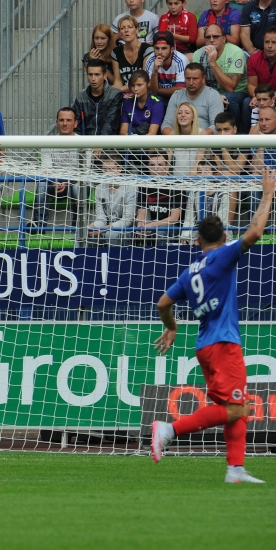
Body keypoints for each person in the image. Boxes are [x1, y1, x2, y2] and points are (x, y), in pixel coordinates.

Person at [151, 170, 275, 484]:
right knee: (237, 409)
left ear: (196, 241)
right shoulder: (223, 256)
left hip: (205, 346)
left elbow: (164, 303)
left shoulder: (189, 271)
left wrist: (172, 327)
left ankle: (235, 469)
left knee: (234, 406)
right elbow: (256, 232)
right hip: (223, 344)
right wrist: (268, 192)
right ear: (222, 239)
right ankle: (168, 429)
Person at [193, 24, 248, 132]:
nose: (211, 40)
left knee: (228, 98)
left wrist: (212, 63)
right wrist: (215, 95)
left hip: (237, 93)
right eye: (208, 37)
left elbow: (230, 87)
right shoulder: (198, 54)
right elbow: (197, 84)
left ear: (224, 39)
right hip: (210, 93)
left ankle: (235, 136)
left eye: (215, 37)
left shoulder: (236, 52)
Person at [135, 150, 184, 243]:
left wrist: (152, 225)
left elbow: (174, 218)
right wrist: (141, 225)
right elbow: (141, 213)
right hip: (153, 225)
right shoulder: (144, 185)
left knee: (160, 231)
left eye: (159, 165)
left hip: (173, 227)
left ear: (167, 166)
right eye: (152, 165)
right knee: (132, 231)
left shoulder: (176, 185)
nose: (155, 169)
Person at [161, 63, 225, 135]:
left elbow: (216, 125)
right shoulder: (176, 95)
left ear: (203, 78)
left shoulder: (213, 95)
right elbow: (166, 124)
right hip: (178, 142)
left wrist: (196, 140)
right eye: (188, 78)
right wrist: (177, 141)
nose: (191, 83)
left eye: (195, 79)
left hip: (204, 142)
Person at [87, 154, 136, 245]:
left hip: (126, 230)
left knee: (111, 234)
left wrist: (104, 229)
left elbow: (127, 221)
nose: (107, 173)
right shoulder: (99, 188)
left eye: (110, 169)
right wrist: (90, 226)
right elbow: (101, 219)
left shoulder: (130, 188)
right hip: (106, 227)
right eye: (104, 170)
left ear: (119, 169)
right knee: (83, 232)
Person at [72, 59, 123, 136]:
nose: (93, 79)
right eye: (90, 74)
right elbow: (76, 127)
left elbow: (111, 123)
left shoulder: (115, 94)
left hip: (108, 145)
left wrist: (100, 144)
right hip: (85, 145)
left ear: (105, 75)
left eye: (97, 74)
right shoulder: (81, 98)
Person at [111, 15, 154, 92]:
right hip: (123, 94)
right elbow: (118, 81)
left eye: (130, 27)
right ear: (120, 33)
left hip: (142, 93)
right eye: (122, 28)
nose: (126, 30)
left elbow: (144, 81)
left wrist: (116, 91)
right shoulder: (116, 52)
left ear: (137, 30)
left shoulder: (147, 50)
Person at [244, 26, 276, 129]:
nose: (269, 46)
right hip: (261, 94)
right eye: (267, 42)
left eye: (274, 43)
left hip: (272, 96)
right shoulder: (254, 58)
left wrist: (270, 99)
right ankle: (245, 139)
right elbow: (252, 85)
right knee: (246, 102)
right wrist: (257, 98)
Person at [119, 70, 165, 137]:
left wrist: (137, 141)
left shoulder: (157, 104)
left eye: (139, 85)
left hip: (149, 144)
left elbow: (152, 134)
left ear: (148, 84)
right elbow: (123, 131)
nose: (135, 89)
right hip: (130, 143)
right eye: (132, 85)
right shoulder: (127, 102)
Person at [145, 31, 187, 101]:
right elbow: (150, 89)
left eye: (164, 48)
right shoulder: (151, 60)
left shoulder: (181, 60)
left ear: (172, 49)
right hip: (159, 98)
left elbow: (180, 90)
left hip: (178, 98)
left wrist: (158, 90)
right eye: (157, 48)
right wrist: (155, 71)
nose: (160, 52)